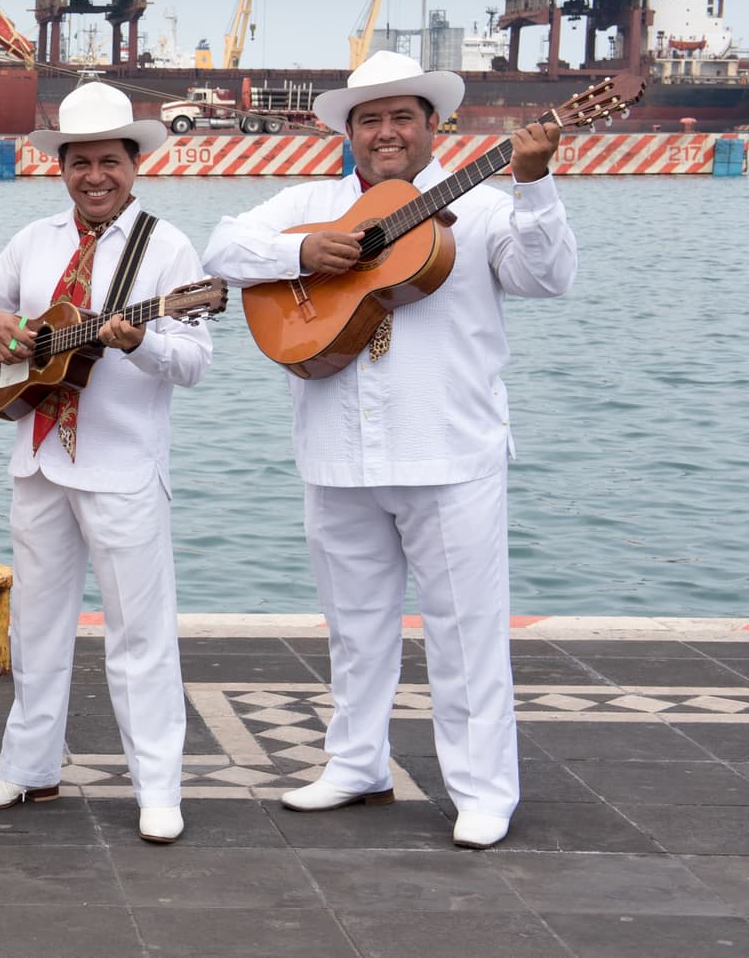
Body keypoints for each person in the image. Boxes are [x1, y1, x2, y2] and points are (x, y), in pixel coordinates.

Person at [201, 50, 575, 851]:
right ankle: (355, 763)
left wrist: (535, 182)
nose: (386, 131)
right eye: (369, 119)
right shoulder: (312, 203)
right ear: (348, 133)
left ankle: (482, 790)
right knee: (354, 626)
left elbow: (548, 278)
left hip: (450, 451)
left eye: (402, 115)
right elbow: (222, 248)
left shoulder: (476, 210)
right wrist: (300, 256)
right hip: (336, 451)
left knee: (466, 632)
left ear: (434, 127)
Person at [0, 82, 209, 845]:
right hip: (36, 458)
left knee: (140, 634)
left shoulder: (170, 251)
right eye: (79, 162)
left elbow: (194, 362)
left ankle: (158, 786)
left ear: (136, 163)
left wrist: (142, 341)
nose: (95, 176)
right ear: (61, 168)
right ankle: (28, 767)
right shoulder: (32, 240)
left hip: (123, 467)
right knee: (34, 626)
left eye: (109, 161)